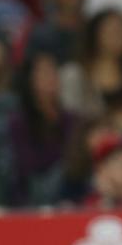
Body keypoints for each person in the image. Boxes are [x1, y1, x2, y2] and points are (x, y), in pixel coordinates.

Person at [60, 10, 122, 132]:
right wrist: (111, 122)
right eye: (113, 30)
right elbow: (70, 119)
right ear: (95, 35)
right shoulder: (74, 75)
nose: (120, 35)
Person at [8, 50, 77, 205]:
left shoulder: (70, 118)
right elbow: (27, 165)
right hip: (34, 193)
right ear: (30, 79)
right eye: (44, 72)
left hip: (69, 187)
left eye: (54, 71)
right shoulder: (19, 121)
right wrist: (66, 158)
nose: (51, 76)